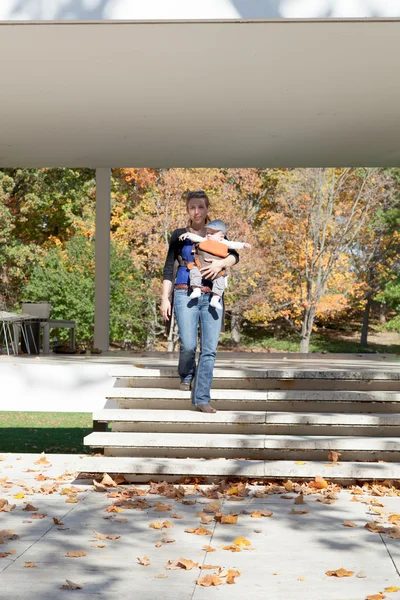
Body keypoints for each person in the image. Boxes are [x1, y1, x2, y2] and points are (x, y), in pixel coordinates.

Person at [160, 191, 239, 413]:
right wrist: (164, 298)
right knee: (188, 344)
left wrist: (220, 264)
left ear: (207, 209)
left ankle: (202, 398)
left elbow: (235, 255)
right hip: (185, 293)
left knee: (209, 350)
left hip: (212, 295)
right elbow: (168, 268)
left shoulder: (216, 232)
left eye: (201, 207)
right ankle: (186, 373)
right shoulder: (179, 235)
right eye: (192, 207)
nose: (196, 211)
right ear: (188, 210)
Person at [179, 219, 250, 310]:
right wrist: (188, 235)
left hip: (216, 273)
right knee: (194, 271)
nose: (209, 235)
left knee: (220, 282)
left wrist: (243, 245)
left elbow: (233, 244)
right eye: (207, 232)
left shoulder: (224, 243)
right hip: (201, 267)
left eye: (212, 233)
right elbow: (196, 238)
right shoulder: (204, 240)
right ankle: (196, 289)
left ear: (221, 236)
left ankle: (215, 299)